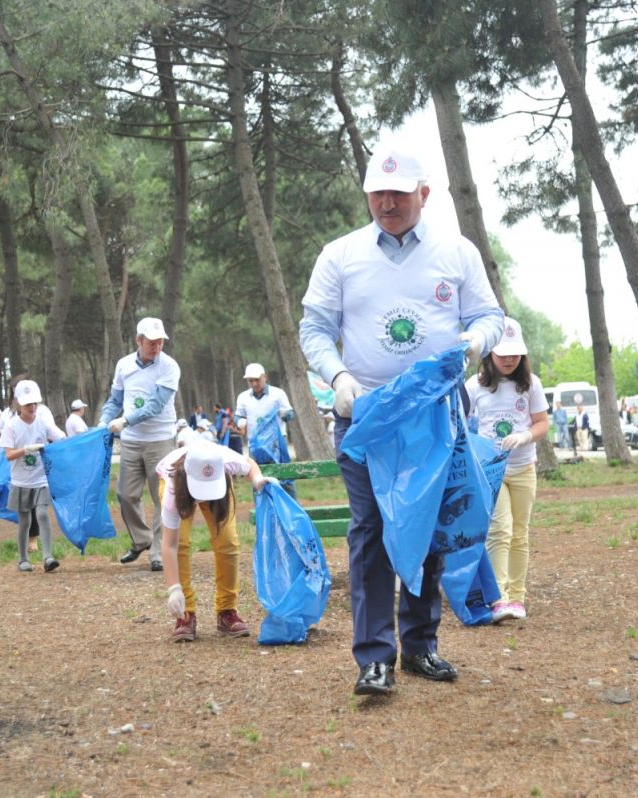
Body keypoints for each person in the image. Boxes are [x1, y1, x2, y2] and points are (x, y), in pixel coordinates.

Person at [299, 141, 503, 696]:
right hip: (366, 415)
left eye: (397, 193)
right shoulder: (339, 255)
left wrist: (473, 343)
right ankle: (374, 656)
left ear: (424, 194)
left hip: (438, 415)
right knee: (370, 530)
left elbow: (489, 314)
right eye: (376, 194)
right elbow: (313, 328)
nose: (386, 203)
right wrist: (338, 379)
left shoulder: (456, 252)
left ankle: (419, 645)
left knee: (427, 529)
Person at [464, 318, 549, 623]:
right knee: (500, 530)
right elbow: (459, 420)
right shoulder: (475, 386)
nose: (510, 359)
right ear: (489, 355)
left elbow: (541, 423)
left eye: (515, 354)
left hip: (524, 467)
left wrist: (525, 436)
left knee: (520, 533)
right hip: (491, 470)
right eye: (503, 354)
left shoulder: (531, 384)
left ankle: (518, 596)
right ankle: (498, 597)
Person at [157, 440, 270, 642]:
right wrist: (174, 588)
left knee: (228, 541)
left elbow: (249, 464)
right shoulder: (173, 486)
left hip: (221, 490)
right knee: (180, 543)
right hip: (182, 488)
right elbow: (169, 544)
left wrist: (258, 480)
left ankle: (227, 611)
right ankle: (185, 614)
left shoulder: (225, 459)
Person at [100, 317, 180, 572]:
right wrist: (104, 420)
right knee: (125, 494)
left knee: (162, 498)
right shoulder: (123, 365)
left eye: (160, 342)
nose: (157, 347)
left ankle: (157, 552)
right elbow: (115, 399)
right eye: (152, 342)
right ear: (139, 340)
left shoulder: (169, 366)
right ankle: (142, 539)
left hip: (160, 439)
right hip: (132, 443)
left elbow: (155, 405)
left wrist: (124, 421)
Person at [0, 379, 66, 571]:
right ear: (19, 403)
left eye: (35, 403)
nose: (32, 407)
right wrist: (27, 449)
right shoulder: (11, 426)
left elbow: (61, 438)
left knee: (43, 514)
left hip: (41, 479)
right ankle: (23, 559)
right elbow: (9, 455)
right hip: (20, 481)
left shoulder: (43, 423)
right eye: (28, 403)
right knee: (25, 521)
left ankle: (48, 557)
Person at [234, 362, 296, 495]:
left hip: (277, 443)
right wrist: (239, 421)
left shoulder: (277, 394)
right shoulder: (243, 397)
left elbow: (291, 414)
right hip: (255, 444)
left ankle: (291, 510)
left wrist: (284, 415)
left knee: (284, 477)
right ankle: (263, 511)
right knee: (257, 478)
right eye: (251, 381)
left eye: (257, 380)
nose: (254, 384)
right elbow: (238, 415)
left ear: (264, 377)